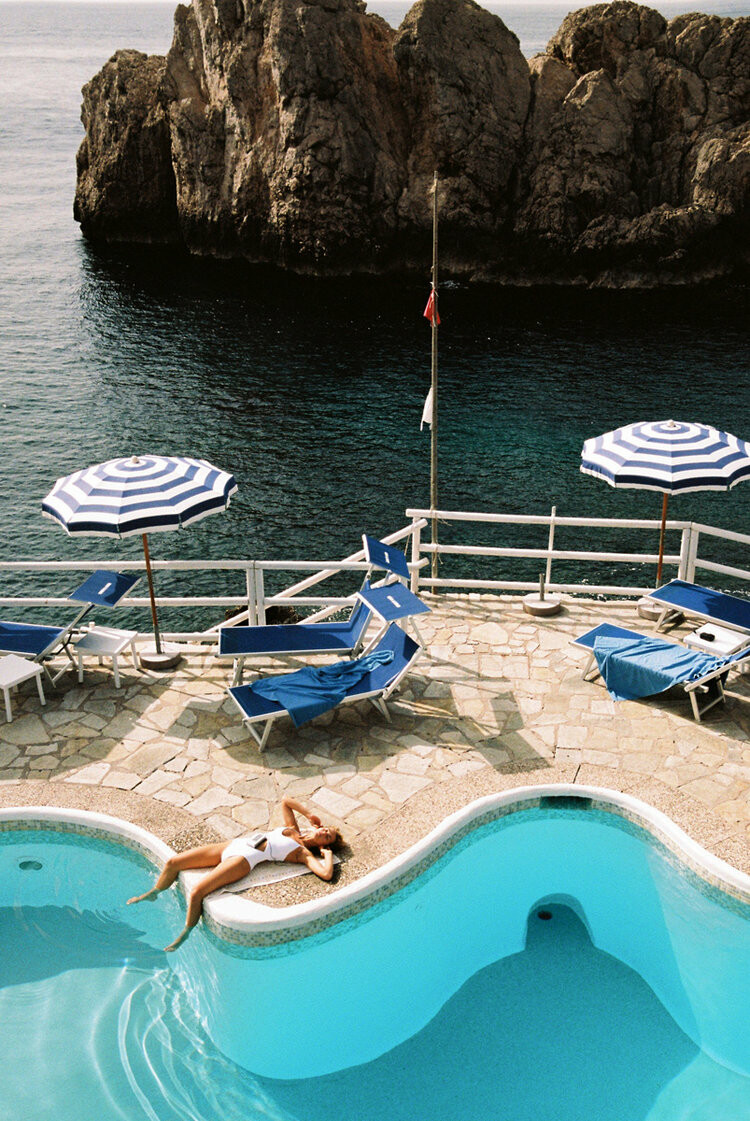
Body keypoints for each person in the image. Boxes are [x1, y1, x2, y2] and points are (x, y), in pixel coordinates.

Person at [127, 796, 341, 951]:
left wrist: (328, 856)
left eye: (327, 837)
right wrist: (308, 814)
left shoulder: (303, 854)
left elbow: (326, 874)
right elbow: (286, 801)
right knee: (173, 862)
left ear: (323, 846)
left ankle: (186, 933)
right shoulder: (293, 829)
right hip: (232, 845)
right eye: (326, 829)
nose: (324, 832)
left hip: (243, 860)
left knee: (197, 892)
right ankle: (155, 892)